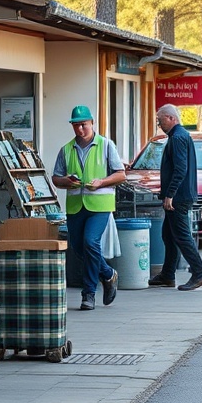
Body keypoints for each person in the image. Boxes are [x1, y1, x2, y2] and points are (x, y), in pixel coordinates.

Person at [52, 105, 126, 311]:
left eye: (83, 124)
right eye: (76, 125)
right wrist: (66, 181)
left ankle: (89, 294)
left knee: (90, 242)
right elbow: (56, 178)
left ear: (92, 123)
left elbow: (121, 174)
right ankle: (108, 273)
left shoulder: (105, 145)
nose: (80, 129)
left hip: (100, 205)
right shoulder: (66, 149)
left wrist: (101, 182)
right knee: (78, 247)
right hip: (76, 206)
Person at [148, 103, 202, 290]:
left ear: (171, 118)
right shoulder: (179, 136)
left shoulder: (178, 138)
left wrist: (170, 194)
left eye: (160, 121)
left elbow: (180, 169)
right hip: (181, 195)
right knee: (168, 235)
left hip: (179, 198)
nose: (159, 125)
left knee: (182, 236)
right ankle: (168, 274)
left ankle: (200, 274)